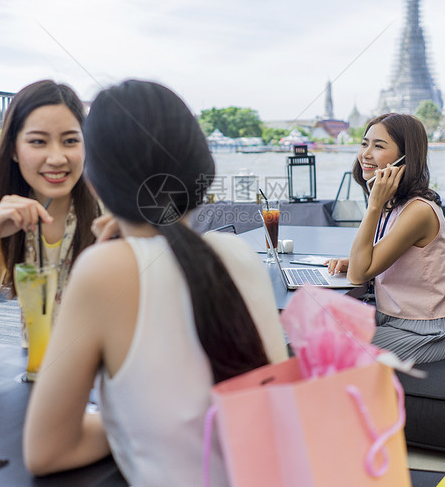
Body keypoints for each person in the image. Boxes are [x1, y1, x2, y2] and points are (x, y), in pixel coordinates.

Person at [22, 80, 287, 484]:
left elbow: (47, 450)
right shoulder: (239, 256)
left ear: (95, 181)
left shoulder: (104, 270)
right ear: (202, 171)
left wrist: (135, 425)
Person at [0, 80, 101, 363]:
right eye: (38, 141)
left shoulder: (109, 217)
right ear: (14, 150)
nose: (57, 158)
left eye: (70, 140)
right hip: (40, 385)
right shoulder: (8, 222)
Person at [326, 113, 445, 364]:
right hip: (390, 319)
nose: (366, 153)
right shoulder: (394, 203)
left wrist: (373, 204)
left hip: (426, 332)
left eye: (378, 146)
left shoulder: (418, 210)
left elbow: (358, 276)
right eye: (365, 143)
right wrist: (353, 260)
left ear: (405, 157)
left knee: (318, 355)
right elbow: (366, 265)